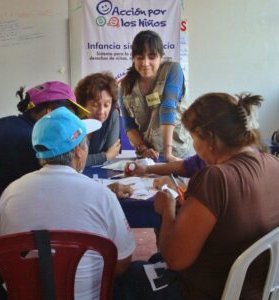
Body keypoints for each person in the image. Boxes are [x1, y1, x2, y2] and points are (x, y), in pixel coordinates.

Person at [114, 92, 279, 300]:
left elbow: (175, 259)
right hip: (258, 289)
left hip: (209, 291)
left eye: (194, 138)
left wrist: (168, 210)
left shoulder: (216, 178)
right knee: (153, 259)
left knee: (127, 276)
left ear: (210, 138)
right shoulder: (273, 164)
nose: (195, 147)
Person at [0, 107, 136, 300]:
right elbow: (122, 262)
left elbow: (1, 256)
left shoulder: (11, 193)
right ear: (78, 151)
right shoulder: (102, 196)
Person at [0, 81, 89, 280]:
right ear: (49, 111)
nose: (71, 120)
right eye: (69, 114)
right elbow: (59, 193)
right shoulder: (30, 142)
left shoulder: (9, 124)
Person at [120, 30, 191, 162]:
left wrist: (168, 154)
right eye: (140, 57)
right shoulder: (125, 85)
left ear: (161, 57)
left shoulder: (172, 70)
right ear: (133, 58)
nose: (145, 63)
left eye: (152, 57)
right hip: (148, 156)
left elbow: (167, 108)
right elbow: (129, 126)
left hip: (176, 153)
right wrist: (143, 149)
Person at [74, 72, 121, 167]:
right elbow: (73, 162)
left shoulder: (113, 115)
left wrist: (107, 156)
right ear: (83, 104)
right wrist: (105, 156)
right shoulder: (73, 119)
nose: (102, 111)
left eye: (107, 104)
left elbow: (113, 153)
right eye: (95, 105)